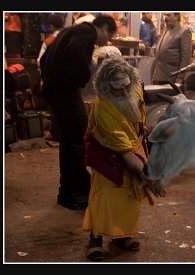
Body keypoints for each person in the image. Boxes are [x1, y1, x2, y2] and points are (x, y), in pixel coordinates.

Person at [82, 56, 164, 261]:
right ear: (105, 87)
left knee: (129, 197)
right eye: (116, 88)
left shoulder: (134, 89)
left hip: (133, 148)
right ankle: (96, 239)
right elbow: (126, 154)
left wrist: (145, 130)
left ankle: (122, 236)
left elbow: (137, 119)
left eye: (126, 86)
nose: (123, 92)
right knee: (104, 197)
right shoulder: (103, 108)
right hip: (108, 154)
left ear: (131, 80)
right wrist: (150, 177)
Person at [40, 15, 118, 210]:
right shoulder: (87, 32)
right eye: (109, 36)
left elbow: (44, 59)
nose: (106, 42)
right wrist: (83, 77)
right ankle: (76, 194)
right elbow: (75, 50)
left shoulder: (68, 31)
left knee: (68, 142)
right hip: (65, 92)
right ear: (104, 27)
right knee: (76, 141)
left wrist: (50, 79)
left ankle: (67, 193)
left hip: (56, 92)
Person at [152, 13, 192, 84]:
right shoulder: (166, 30)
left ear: (176, 17)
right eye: (165, 15)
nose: (165, 17)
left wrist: (180, 77)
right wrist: (155, 75)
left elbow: (186, 57)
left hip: (172, 79)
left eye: (168, 15)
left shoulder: (184, 32)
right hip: (159, 78)